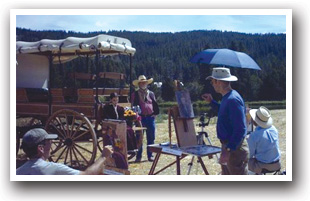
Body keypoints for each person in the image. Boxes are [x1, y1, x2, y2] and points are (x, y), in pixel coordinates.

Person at [202, 67, 249, 175]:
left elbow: (240, 129)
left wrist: (228, 150)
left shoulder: (232, 99)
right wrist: (211, 102)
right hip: (230, 147)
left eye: (212, 81)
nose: (212, 84)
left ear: (218, 81)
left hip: (234, 149)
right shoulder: (228, 97)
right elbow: (224, 112)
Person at [16, 128, 112, 175]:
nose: (52, 143)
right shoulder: (54, 168)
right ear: (40, 148)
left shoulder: (18, 172)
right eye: (49, 141)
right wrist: (103, 156)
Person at [131, 75, 159, 162]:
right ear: (139, 84)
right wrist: (135, 116)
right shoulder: (135, 94)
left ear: (147, 83)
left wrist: (155, 114)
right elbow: (133, 106)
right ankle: (138, 157)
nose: (143, 84)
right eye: (142, 83)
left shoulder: (151, 93)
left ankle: (150, 155)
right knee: (139, 138)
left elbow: (155, 105)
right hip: (140, 119)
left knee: (151, 137)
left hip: (150, 118)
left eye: (145, 82)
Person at [247, 106, 281, 174]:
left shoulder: (254, 135)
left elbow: (249, 155)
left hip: (263, 165)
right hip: (277, 164)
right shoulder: (274, 129)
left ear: (254, 120)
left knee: (242, 161)